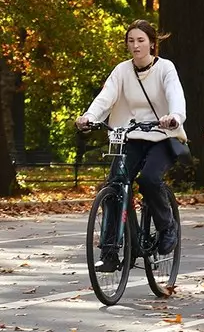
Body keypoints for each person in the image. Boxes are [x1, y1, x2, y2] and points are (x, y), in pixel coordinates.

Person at [75, 20, 186, 264]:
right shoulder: (122, 70)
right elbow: (106, 97)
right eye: (131, 41)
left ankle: (167, 226)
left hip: (162, 137)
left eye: (140, 40)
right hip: (131, 136)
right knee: (115, 185)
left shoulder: (165, 68)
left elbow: (175, 95)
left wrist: (174, 117)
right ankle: (110, 251)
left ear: (152, 44)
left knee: (148, 179)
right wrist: (89, 117)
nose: (135, 46)